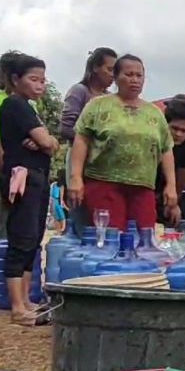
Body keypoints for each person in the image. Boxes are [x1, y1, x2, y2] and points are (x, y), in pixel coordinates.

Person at [68, 54, 177, 231]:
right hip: (103, 185)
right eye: (128, 74)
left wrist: (171, 185)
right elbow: (81, 140)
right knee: (111, 238)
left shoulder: (155, 113)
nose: (134, 80)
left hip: (143, 187)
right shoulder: (97, 106)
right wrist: (76, 178)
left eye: (139, 75)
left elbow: (166, 149)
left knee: (144, 239)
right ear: (116, 78)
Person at [0, 54, 59, 326]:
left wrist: (47, 142)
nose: (40, 85)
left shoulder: (29, 107)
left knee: (32, 240)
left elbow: (50, 143)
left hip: (38, 176)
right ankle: (17, 306)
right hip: (23, 178)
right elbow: (46, 140)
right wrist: (46, 141)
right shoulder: (14, 104)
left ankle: (26, 300)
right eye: (33, 79)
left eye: (43, 80)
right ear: (15, 79)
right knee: (21, 239)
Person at [60, 48, 117, 235]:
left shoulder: (111, 99)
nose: (113, 75)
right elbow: (67, 128)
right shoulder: (80, 92)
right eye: (109, 69)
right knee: (81, 210)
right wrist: (96, 139)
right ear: (94, 68)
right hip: (80, 162)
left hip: (104, 164)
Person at [0, 51, 24, 245]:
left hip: (24, 179)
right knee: (4, 235)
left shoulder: (27, 104)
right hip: (6, 179)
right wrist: (6, 180)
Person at [156, 96, 185, 225]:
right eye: (174, 128)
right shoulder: (155, 134)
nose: (179, 134)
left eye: (184, 130)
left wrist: (173, 204)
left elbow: (184, 173)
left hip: (171, 186)